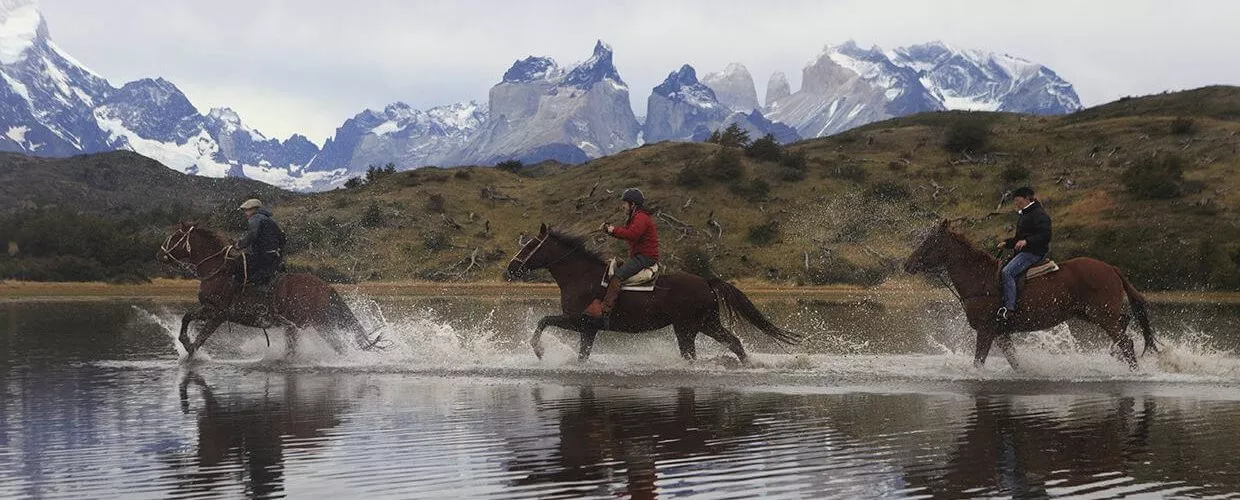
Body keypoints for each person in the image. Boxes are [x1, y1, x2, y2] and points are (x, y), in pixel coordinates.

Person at [586, 188, 659, 322]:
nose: (623, 206)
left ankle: (605, 310)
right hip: (641, 256)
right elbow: (628, 232)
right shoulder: (637, 216)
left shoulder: (641, 217)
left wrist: (612, 229)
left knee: (618, 276)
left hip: (644, 258)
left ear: (633, 204)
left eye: (625, 203)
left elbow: (632, 234)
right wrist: (611, 231)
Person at [994, 186, 1052, 321]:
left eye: (1018, 201)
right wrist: (1007, 243)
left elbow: (1045, 235)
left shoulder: (1039, 214)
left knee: (1007, 272)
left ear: (1027, 198)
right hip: (1026, 251)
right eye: (1016, 202)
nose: (1017, 204)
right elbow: (1019, 238)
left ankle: (1009, 309)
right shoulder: (1025, 214)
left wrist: (1027, 242)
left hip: (1034, 252)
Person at [234, 199, 286, 293]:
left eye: (247, 210)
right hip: (274, 255)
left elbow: (251, 235)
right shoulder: (268, 219)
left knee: (238, 269)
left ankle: (251, 294)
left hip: (263, 255)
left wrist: (239, 245)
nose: (245, 213)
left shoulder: (256, 218)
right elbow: (282, 238)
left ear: (254, 209)